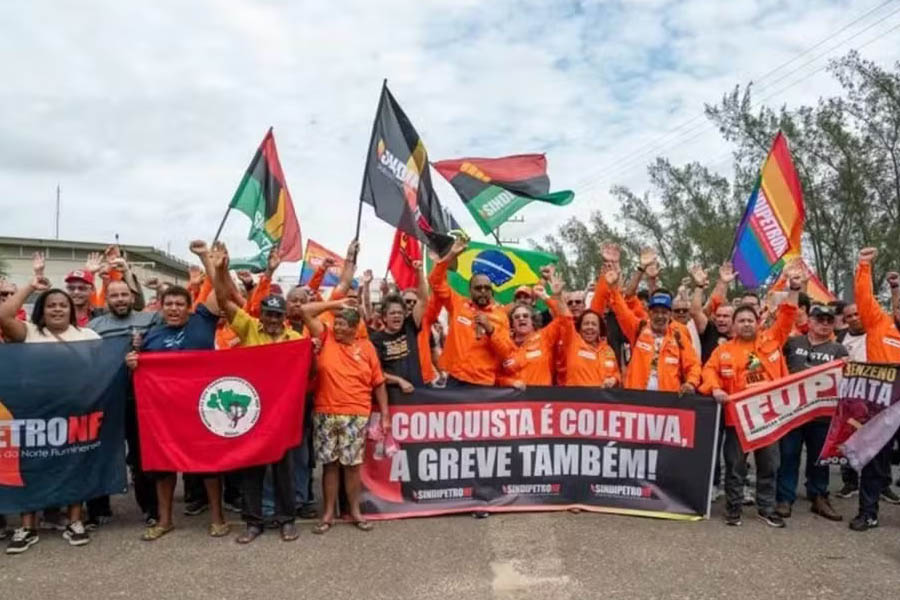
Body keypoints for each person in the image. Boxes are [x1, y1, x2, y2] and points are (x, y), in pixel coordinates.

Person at [125, 241, 229, 542]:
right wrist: (133, 362)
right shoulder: (150, 336)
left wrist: (209, 262)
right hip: (165, 413)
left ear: (188, 306)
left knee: (210, 465)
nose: (173, 308)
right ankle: (165, 520)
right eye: (168, 304)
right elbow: (140, 369)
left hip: (201, 407)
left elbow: (221, 293)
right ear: (161, 307)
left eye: (179, 304)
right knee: (163, 465)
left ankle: (218, 518)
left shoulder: (203, 321)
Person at [0, 269, 101, 553]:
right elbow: (3, 317)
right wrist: (30, 286)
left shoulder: (88, 335)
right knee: (31, 465)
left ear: (72, 311)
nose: (57, 309)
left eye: (63, 305)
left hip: (76, 413)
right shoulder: (29, 332)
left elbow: (103, 369)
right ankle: (27, 526)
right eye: (51, 305)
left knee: (74, 464)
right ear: (41, 311)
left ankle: (74, 521)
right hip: (34, 413)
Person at [209, 242, 302, 543]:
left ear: (284, 317)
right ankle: (253, 522)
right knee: (252, 469)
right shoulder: (248, 328)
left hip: (283, 414)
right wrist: (221, 269)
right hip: (252, 412)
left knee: (283, 470)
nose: (273, 321)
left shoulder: (295, 339)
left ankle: (287, 519)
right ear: (261, 315)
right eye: (269, 316)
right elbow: (224, 302)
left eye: (278, 316)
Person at [700, 264, 801, 528]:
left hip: (769, 418)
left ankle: (766, 508)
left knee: (769, 465)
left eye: (750, 320)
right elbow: (708, 373)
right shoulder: (723, 352)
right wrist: (715, 388)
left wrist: (794, 288)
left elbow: (788, 315)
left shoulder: (773, 340)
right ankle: (733, 509)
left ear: (758, 322)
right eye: (741, 320)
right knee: (734, 467)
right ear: (733, 325)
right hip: (737, 421)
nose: (746, 324)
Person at [298, 296, 389, 534]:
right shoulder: (326, 337)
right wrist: (334, 305)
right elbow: (305, 311)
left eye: (343, 324)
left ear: (354, 327)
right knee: (330, 465)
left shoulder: (367, 347)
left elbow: (378, 383)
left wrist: (386, 415)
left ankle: (355, 511)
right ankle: (328, 513)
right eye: (336, 322)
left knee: (351, 466)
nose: (337, 327)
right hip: (326, 412)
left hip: (356, 414)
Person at [85, 279, 160, 530]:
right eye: (114, 295)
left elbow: (170, 329)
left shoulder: (149, 320)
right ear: (106, 299)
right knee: (100, 452)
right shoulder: (95, 326)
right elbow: (88, 361)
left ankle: (150, 508)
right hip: (106, 398)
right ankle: (97, 510)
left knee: (141, 456)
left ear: (132, 297)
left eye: (124, 294)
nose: (119, 299)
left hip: (138, 399)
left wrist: (145, 349)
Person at [775, 303, 847, 522]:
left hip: (822, 414)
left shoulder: (839, 350)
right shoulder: (793, 343)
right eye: (820, 319)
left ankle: (819, 496)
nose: (824, 324)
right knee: (788, 455)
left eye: (829, 320)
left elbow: (847, 380)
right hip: (793, 412)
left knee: (819, 457)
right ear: (811, 321)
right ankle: (784, 497)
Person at [847, 247, 900, 531]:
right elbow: (864, 298)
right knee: (874, 461)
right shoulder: (880, 324)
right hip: (881, 407)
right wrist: (864, 266)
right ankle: (868, 512)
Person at [428, 237, 515, 386]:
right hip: (456, 380)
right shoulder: (457, 304)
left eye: (487, 288)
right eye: (478, 288)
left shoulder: (501, 316)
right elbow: (435, 282)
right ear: (470, 291)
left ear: (492, 292)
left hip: (484, 384)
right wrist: (451, 256)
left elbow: (506, 353)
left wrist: (491, 330)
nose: (482, 291)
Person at [601, 265, 700, 394]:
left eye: (664, 312)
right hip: (636, 401)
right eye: (656, 312)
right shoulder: (638, 328)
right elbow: (621, 310)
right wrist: (613, 288)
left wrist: (691, 383)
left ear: (670, 314)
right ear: (649, 312)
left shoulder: (678, 336)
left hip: (667, 404)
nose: (660, 316)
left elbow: (693, 365)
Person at [496, 273, 565, 387]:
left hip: (541, 400)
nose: (521, 319)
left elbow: (564, 319)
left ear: (533, 320)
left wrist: (550, 297)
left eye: (525, 316)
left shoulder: (544, 336)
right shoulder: (504, 344)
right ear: (511, 323)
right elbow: (496, 377)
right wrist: (510, 382)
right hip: (514, 402)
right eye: (517, 317)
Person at [370, 259, 428, 392]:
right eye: (393, 313)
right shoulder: (376, 339)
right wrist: (398, 380)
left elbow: (424, 300)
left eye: (400, 313)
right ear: (384, 317)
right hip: (393, 397)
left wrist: (419, 271)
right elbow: (375, 371)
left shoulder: (409, 326)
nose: (397, 316)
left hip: (417, 392)